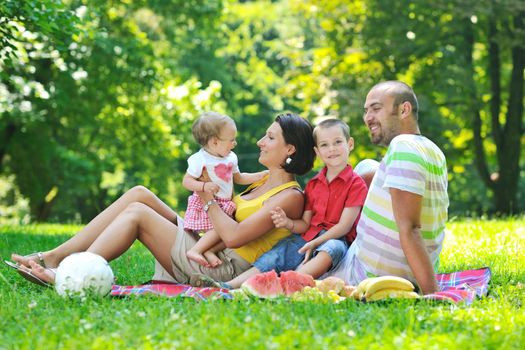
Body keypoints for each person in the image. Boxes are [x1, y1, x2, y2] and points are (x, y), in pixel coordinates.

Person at [8, 113, 316, 287]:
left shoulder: (289, 197)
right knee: (139, 193)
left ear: (290, 150)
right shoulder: (260, 179)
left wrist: (205, 195)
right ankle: (52, 256)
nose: (261, 142)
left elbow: (234, 236)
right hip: (204, 242)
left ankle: (69, 277)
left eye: (271, 137)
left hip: (222, 266)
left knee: (138, 215)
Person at [192, 119, 368, 289]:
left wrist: (317, 242)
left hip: (334, 237)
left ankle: (291, 284)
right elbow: (305, 224)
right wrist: (288, 223)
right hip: (306, 236)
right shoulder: (314, 185)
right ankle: (229, 286)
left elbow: (344, 226)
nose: (332, 149)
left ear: (350, 144)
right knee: (276, 255)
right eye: (324, 145)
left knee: (332, 248)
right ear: (318, 151)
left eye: (337, 142)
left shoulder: (356, 184)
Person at [328, 81, 449, 295]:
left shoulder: (402, 147)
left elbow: (410, 228)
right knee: (367, 166)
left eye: (376, 109)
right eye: (366, 111)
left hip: (366, 273)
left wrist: (433, 295)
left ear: (404, 109)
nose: (367, 118)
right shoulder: (433, 150)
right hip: (405, 268)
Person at [182, 112, 267, 268]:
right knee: (219, 230)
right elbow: (186, 181)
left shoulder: (230, 157)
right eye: (231, 140)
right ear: (214, 142)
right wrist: (203, 186)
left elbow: (239, 178)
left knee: (227, 231)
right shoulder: (200, 159)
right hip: (208, 202)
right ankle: (196, 250)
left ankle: (209, 251)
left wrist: (259, 176)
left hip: (225, 203)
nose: (235, 143)